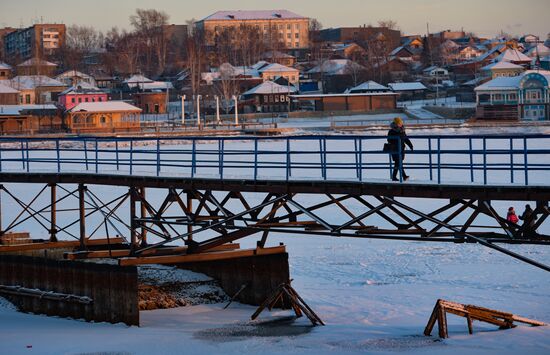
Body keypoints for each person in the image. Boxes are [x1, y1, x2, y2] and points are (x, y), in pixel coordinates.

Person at [387, 117, 414, 181]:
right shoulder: (391, 131)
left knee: (398, 163)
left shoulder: (402, 130)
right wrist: (397, 138)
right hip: (395, 149)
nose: (401, 124)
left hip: (401, 149)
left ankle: (397, 177)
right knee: (398, 162)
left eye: (401, 123)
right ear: (396, 123)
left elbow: (406, 139)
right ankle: (403, 176)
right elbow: (389, 140)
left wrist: (410, 146)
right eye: (399, 123)